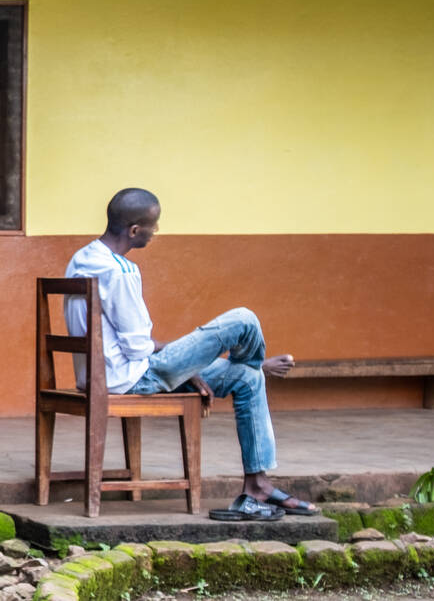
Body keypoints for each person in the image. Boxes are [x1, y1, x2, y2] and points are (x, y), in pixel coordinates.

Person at [66, 188, 316, 522]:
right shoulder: (121, 271)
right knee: (243, 319)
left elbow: (134, 343)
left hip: (104, 374)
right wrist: (188, 367)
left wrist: (190, 367)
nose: (156, 233)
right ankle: (257, 362)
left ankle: (257, 488)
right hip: (133, 378)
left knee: (247, 378)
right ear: (135, 231)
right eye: (154, 226)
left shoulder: (82, 258)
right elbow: (139, 348)